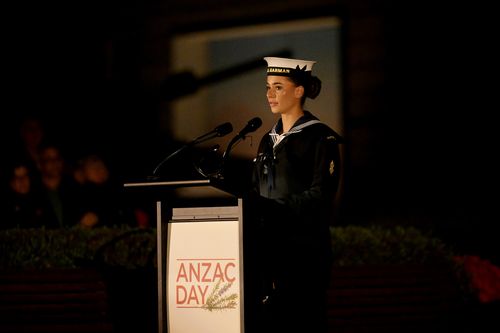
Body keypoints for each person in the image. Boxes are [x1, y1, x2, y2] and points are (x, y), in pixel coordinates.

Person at [247, 56, 343, 333]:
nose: (269, 94)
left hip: (304, 253)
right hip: (267, 251)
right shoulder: (267, 140)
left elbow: (321, 195)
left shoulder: (320, 138)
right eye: (267, 86)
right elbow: (256, 190)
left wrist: (274, 208)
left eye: (278, 87)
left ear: (299, 91)